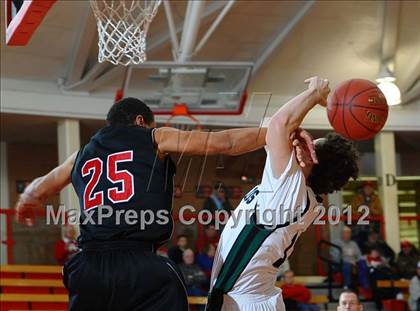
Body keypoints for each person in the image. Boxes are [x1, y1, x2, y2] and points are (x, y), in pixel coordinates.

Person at [15, 97, 268, 311]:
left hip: (87, 268)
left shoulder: (81, 154)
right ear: (140, 121)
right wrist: (275, 133)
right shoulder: (153, 137)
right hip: (140, 265)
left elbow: (40, 187)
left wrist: (26, 200)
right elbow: (225, 143)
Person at [206, 77, 359, 311]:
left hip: (246, 301)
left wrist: (314, 95)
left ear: (311, 157)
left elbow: (277, 124)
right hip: (249, 297)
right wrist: (294, 131)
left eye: (311, 143)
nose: (301, 143)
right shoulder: (298, 192)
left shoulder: (290, 188)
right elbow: (271, 129)